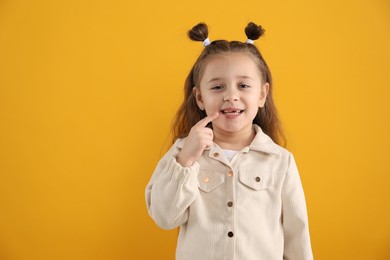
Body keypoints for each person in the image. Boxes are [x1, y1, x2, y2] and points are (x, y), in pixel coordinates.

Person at [145, 22, 313, 260]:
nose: (231, 96)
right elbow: (164, 217)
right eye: (217, 86)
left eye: (243, 85)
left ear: (262, 95)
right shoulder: (182, 152)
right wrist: (185, 160)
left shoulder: (280, 160)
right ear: (200, 98)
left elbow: (297, 236)